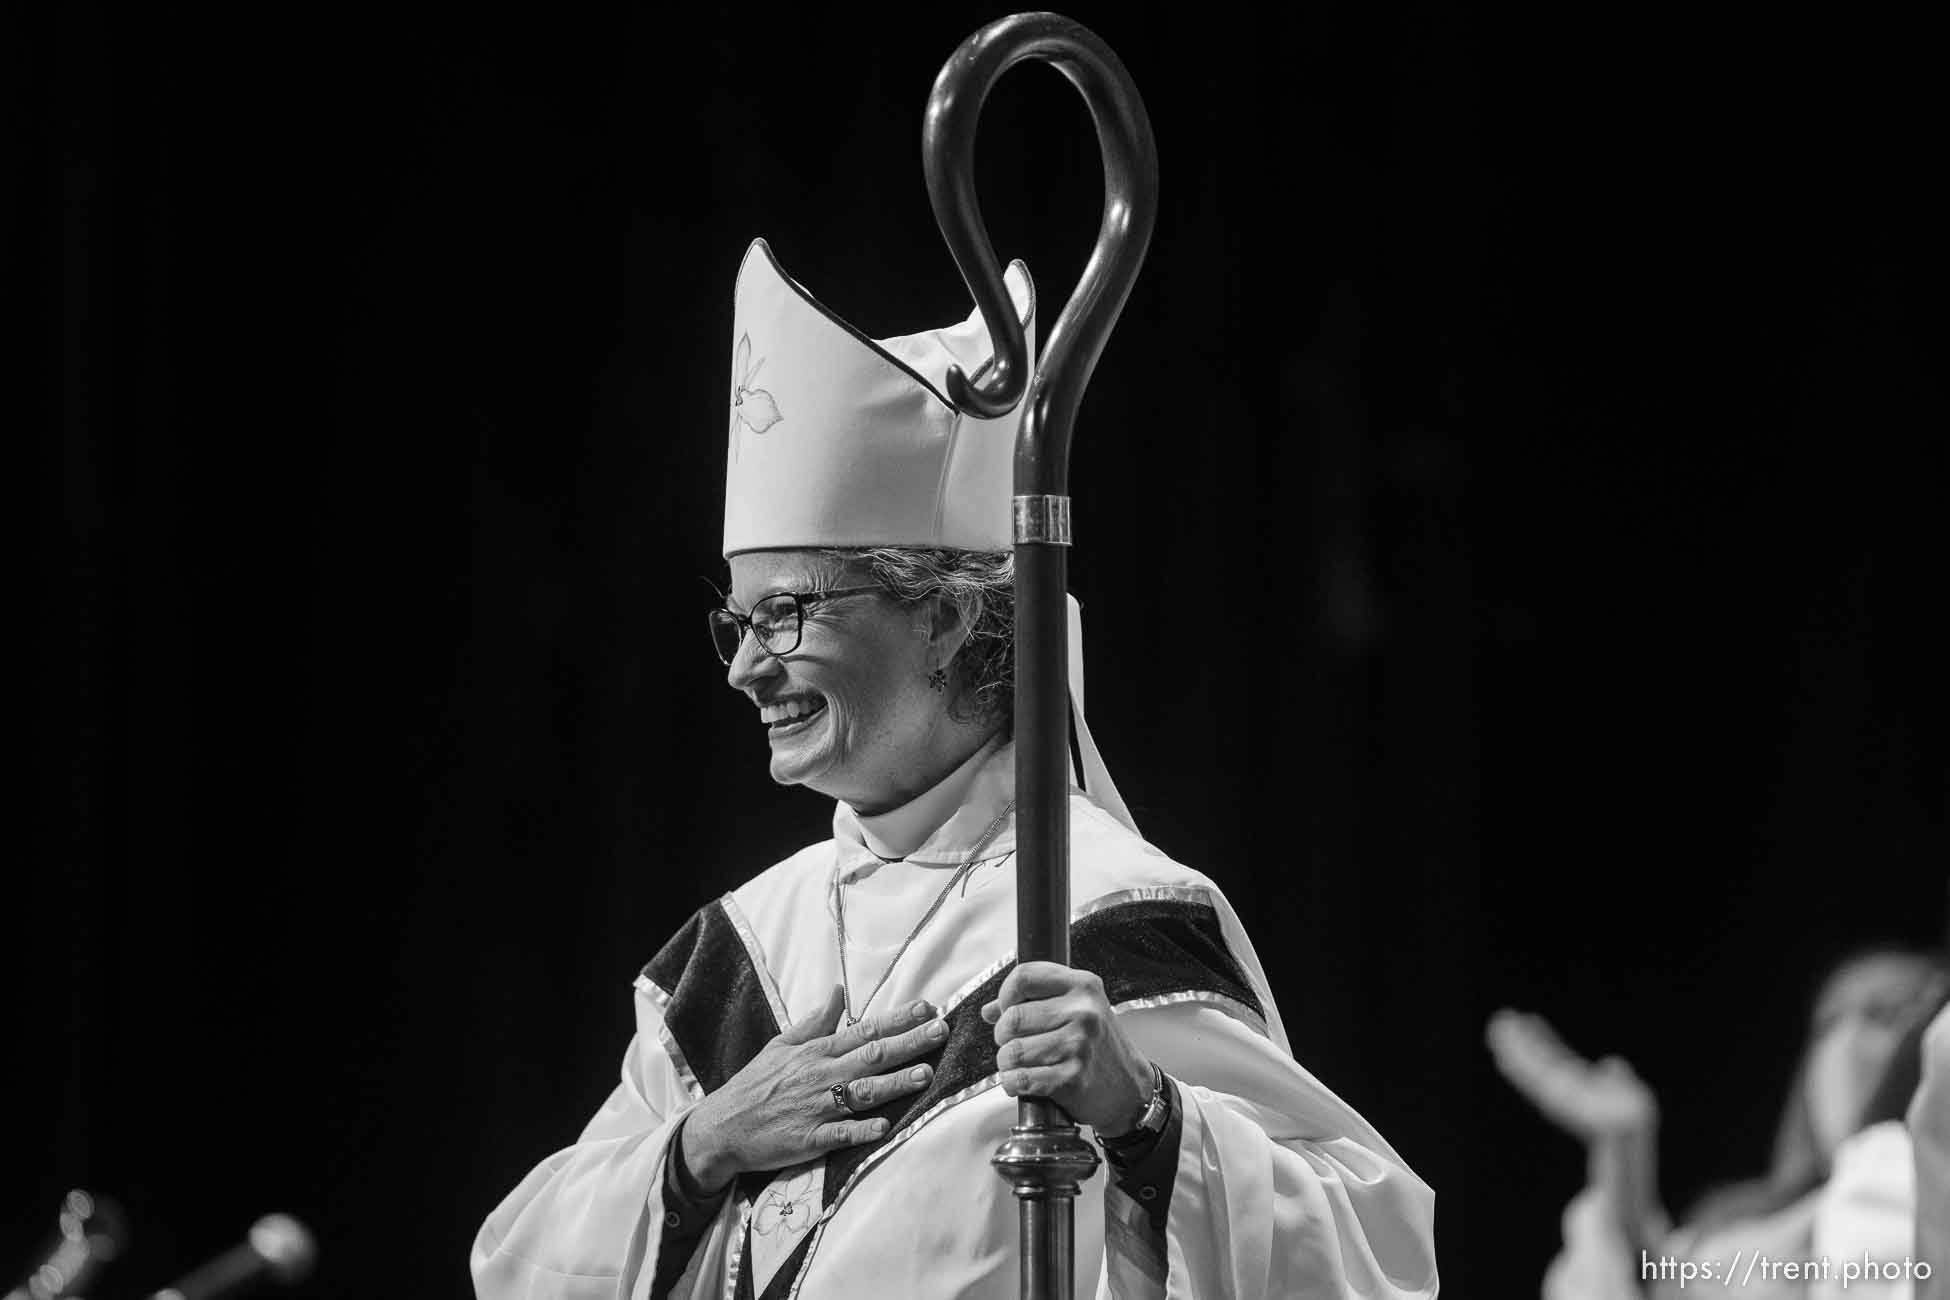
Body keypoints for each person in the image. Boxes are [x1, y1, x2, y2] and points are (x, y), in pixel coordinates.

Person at [469, 239, 1439, 1299]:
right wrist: (703, 1145)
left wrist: (1146, 1114)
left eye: (788, 613)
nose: (747, 667)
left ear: (942, 617)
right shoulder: (737, 952)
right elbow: (522, 1264)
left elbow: (1367, 1259)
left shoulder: (1102, 916)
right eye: (736, 622)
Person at [1487, 946, 1949, 1300]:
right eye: (1830, 1022)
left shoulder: (1921, 1203)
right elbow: (1663, 1282)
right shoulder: (1744, 1220)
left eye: (1885, 1014)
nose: (1847, 1045)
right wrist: (1623, 1146)